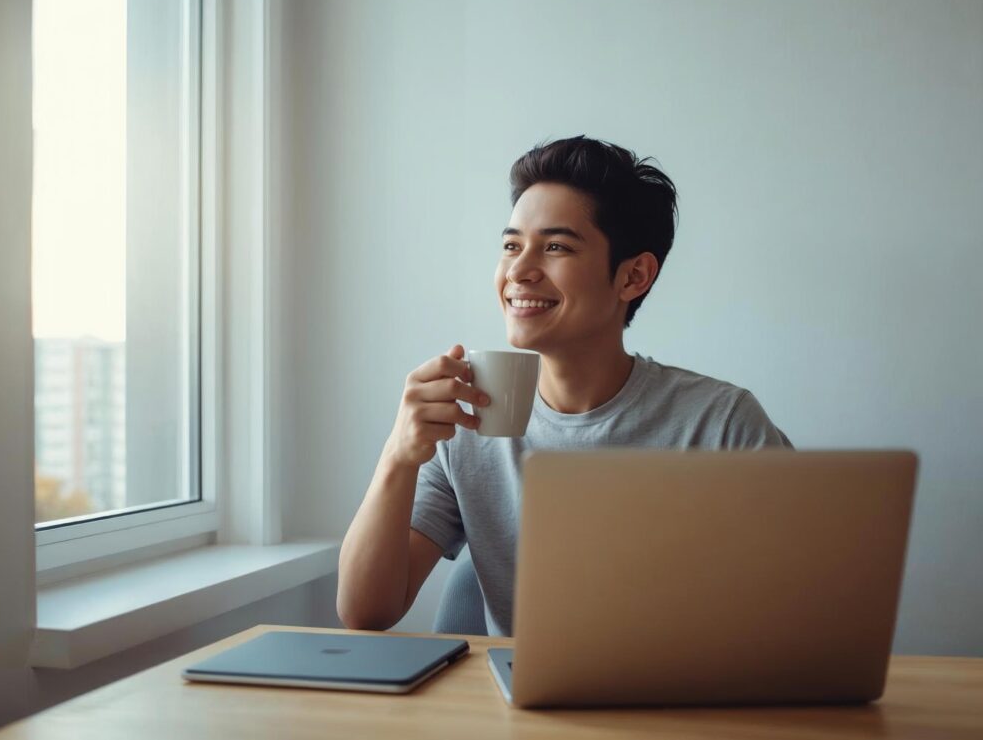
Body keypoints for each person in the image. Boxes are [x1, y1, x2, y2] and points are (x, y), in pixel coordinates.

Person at [337, 136, 792, 635]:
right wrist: (398, 455)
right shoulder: (465, 420)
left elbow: (797, 605)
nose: (518, 271)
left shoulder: (720, 423)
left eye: (555, 247)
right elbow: (366, 612)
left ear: (633, 276)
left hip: (677, 705)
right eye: (511, 245)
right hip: (515, 707)